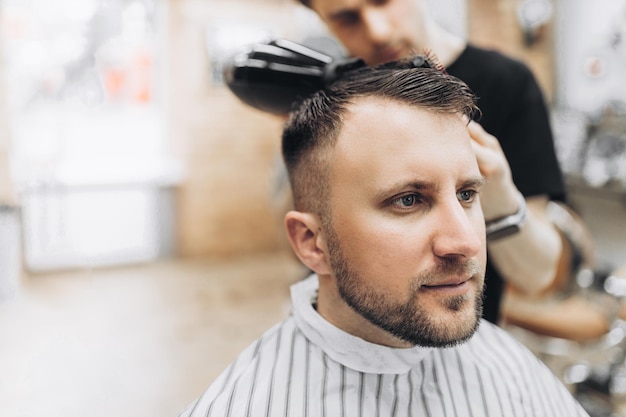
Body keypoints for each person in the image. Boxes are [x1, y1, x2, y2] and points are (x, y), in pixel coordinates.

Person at [176, 56, 589, 417]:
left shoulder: (507, 366)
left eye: (466, 194)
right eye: (408, 200)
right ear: (311, 242)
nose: (465, 242)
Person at [293, 0, 566, 324]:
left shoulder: (508, 83)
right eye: (346, 18)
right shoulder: (328, 102)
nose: (378, 32)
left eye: (383, 1)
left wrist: (499, 196)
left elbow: (537, 275)